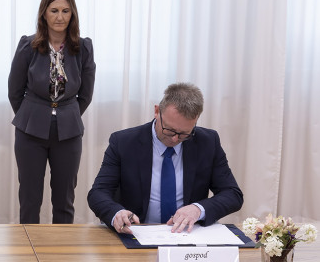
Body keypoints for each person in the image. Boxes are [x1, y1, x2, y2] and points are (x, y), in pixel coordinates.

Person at [87, 82, 243, 234]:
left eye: (184, 134)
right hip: (137, 233)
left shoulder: (207, 142)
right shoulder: (124, 142)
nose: (175, 139)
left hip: (186, 235)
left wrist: (198, 209)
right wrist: (117, 213)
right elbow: (98, 192)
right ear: (157, 111)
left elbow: (232, 194)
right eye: (169, 130)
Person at [8, 0, 96, 223]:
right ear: (44, 13)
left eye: (66, 11)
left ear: (73, 14)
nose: (60, 17)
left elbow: (85, 94)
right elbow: (15, 91)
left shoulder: (84, 47)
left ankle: (62, 256)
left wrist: (66, 114)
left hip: (68, 132)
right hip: (30, 131)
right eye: (54, 10)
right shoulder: (28, 45)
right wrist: (33, 115)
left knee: (64, 201)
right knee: (29, 199)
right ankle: (28, 254)